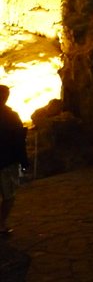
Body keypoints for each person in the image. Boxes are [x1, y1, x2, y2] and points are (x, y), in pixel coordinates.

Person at [0, 85, 29, 234]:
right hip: (7, 162)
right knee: (9, 196)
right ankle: (1, 224)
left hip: (6, 161)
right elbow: (19, 141)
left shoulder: (12, 116)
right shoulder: (11, 117)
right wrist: (24, 162)